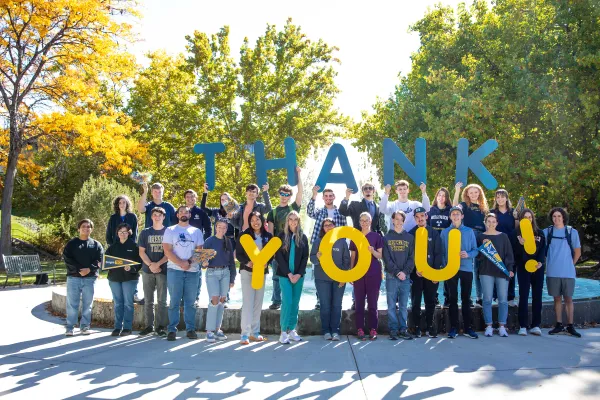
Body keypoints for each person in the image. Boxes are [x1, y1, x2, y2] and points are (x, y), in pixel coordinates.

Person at [162, 205, 205, 341]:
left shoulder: (196, 231)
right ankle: (172, 330)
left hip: (192, 271)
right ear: (177, 215)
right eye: (181, 212)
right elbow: (167, 250)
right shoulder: (170, 230)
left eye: (186, 212)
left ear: (190, 215)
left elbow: (199, 251)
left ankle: (190, 329)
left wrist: (189, 263)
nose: (183, 213)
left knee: (190, 302)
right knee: (174, 301)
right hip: (175, 270)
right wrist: (181, 263)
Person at [267, 168, 303, 311]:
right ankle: (276, 301)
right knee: (276, 276)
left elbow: (300, 193)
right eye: (282, 194)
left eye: (286, 194)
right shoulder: (273, 212)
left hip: (292, 247)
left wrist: (299, 174)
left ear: (289, 196)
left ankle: (291, 300)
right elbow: (270, 233)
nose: (284, 196)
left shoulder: (293, 208)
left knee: (292, 275)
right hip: (278, 249)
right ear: (279, 194)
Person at [236, 211, 274, 344]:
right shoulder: (244, 235)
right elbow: (239, 254)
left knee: (258, 303)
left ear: (262, 221)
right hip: (247, 272)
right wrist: (247, 262)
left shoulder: (268, 236)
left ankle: (255, 332)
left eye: (257, 219)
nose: (255, 222)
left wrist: (266, 263)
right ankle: (245, 334)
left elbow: (272, 254)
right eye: (252, 220)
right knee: (248, 303)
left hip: (261, 273)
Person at [543, 207, 582, 337]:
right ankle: (558, 324)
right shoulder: (547, 232)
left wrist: (571, 264)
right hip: (552, 272)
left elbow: (577, 251)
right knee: (557, 299)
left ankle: (570, 326)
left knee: (569, 299)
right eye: (554, 216)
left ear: (563, 217)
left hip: (568, 272)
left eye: (559, 216)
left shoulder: (572, 232)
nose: (557, 218)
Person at [442, 206, 479, 339]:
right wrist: (444, 267)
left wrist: (468, 254)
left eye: (458, 214)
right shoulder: (445, 232)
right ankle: (453, 328)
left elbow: (476, 250)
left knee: (466, 298)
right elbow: (442, 252)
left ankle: (468, 328)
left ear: (462, 216)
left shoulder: (469, 232)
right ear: (450, 217)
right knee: (452, 299)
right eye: (453, 214)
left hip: (466, 269)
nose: (456, 216)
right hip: (450, 270)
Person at [311, 218, 350, 341]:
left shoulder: (341, 242)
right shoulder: (318, 241)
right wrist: (317, 257)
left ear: (335, 226)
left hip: (338, 279)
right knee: (325, 305)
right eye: (325, 225)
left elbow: (347, 261)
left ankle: (335, 331)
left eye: (330, 225)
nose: (328, 227)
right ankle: (326, 331)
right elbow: (312, 259)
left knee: (337, 305)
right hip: (322, 279)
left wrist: (343, 277)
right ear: (323, 228)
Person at [62, 219, 103, 336]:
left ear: (91, 229)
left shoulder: (96, 244)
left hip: (90, 279)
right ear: (79, 229)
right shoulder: (72, 244)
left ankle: (85, 326)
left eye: (88, 227)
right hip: (73, 278)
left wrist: (89, 269)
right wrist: (80, 270)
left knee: (87, 303)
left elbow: (99, 260)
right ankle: (70, 327)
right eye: (83, 226)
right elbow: (68, 259)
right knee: (72, 304)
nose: (86, 228)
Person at [477, 213, 515, 338]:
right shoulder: (480, 236)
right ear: (485, 222)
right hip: (486, 271)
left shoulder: (504, 236)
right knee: (487, 299)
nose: (491, 224)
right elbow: (478, 257)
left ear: (497, 223)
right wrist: (484, 246)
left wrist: (509, 268)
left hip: (501, 271)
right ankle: (489, 326)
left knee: (503, 299)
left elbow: (509, 254)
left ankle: (502, 326)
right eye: (489, 221)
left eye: (494, 221)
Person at [275, 211, 309, 344]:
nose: (293, 222)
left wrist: (298, 274)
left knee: (295, 303)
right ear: (287, 221)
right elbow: (278, 257)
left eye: (296, 219)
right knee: (287, 302)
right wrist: (289, 274)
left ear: (299, 221)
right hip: (285, 275)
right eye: (291, 219)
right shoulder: (281, 236)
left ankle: (292, 329)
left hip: (298, 276)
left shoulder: (303, 237)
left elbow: (305, 257)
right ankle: (283, 332)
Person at [408, 207, 442, 338]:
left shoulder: (434, 233)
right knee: (415, 301)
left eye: (422, 215)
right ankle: (416, 327)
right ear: (415, 219)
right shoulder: (411, 234)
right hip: (416, 274)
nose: (420, 218)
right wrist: (414, 270)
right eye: (417, 217)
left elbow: (438, 254)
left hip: (431, 274)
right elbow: (410, 255)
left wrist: (436, 273)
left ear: (426, 216)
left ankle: (430, 326)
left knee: (430, 300)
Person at [454, 182, 489, 308]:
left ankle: (479, 298)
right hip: (468, 235)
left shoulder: (483, 207)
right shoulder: (463, 205)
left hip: (481, 236)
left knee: (479, 268)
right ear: (467, 194)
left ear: (479, 193)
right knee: (466, 266)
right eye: (471, 192)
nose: (474, 194)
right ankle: (465, 298)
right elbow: (454, 208)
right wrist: (457, 190)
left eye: (476, 192)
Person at [512, 208, 546, 336]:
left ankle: (536, 325)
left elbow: (543, 249)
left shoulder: (540, 233)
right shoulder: (516, 234)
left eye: (530, 217)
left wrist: (540, 262)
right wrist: (520, 244)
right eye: (525, 217)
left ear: (533, 218)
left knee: (537, 296)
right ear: (521, 219)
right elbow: (515, 254)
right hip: (523, 267)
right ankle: (523, 325)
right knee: (524, 295)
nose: (528, 219)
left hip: (537, 267)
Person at [351, 212, 385, 340]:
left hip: (373, 274)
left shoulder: (376, 236)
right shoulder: (355, 236)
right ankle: (359, 329)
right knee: (359, 303)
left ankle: (373, 329)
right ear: (359, 222)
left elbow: (380, 256)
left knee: (372, 303)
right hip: (359, 275)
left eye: (367, 220)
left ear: (371, 222)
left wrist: (372, 251)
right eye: (362, 220)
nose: (364, 223)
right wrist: (351, 273)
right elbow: (353, 256)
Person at [106, 223, 143, 337]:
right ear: (117, 233)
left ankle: (127, 328)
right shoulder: (112, 247)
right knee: (118, 304)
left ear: (129, 233)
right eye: (120, 232)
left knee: (128, 303)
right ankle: (117, 327)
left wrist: (132, 267)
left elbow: (140, 262)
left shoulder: (135, 246)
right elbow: (106, 262)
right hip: (114, 278)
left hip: (129, 279)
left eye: (125, 232)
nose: (122, 234)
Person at [383, 211, 415, 340]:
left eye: (401, 219)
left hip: (405, 277)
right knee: (391, 306)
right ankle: (393, 330)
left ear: (403, 221)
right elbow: (386, 258)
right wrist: (397, 272)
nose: (398, 222)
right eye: (396, 219)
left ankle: (403, 329)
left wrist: (405, 272)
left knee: (403, 306)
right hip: (392, 277)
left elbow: (411, 258)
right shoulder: (386, 238)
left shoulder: (409, 238)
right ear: (392, 220)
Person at [203, 220, 236, 343]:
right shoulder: (209, 241)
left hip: (225, 273)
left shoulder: (228, 242)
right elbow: (203, 260)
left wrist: (232, 278)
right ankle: (209, 331)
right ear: (215, 227)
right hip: (212, 273)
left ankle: (218, 329)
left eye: (224, 227)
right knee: (214, 299)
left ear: (227, 229)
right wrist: (204, 263)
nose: (221, 229)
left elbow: (231, 262)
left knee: (222, 299)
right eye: (219, 227)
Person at [138, 207, 169, 337]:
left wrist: (158, 264)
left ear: (163, 217)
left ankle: (161, 326)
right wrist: (151, 264)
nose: (157, 217)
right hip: (147, 270)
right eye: (155, 215)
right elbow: (141, 252)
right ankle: (148, 326)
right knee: (148, 300)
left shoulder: (168, 232)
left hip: (163, 269)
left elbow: (170, 253)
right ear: (151, 217)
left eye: (159, 215)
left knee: (162, 300)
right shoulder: (145, 233)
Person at [428, 185, 459, 308]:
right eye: (439, 195)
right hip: (433, 244)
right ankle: (434, 297)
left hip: (446, 244)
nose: (441, 197)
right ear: (436, 197)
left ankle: (447, 297)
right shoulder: (431, 210)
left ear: (447, 198)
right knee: (434, 269)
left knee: (447, 269)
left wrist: (457, 190)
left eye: (444, 195)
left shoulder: (450, 210)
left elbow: (456, 207)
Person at [491, 188, 519, 307]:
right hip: (496, 244)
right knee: (497, 270)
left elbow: (517, 228)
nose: (500, 199)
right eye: (498, 197)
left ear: (506, 198)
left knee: (511, 269)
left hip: (511, 244)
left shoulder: (513, 213)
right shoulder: (492, 213)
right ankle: (496, 296)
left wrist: (517, 218)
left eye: (502, 196)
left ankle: (510, 297)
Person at [184, 189, 211, 308]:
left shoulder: (201, 212)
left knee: (196, 272)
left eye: (192, 197)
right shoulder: (180, 212)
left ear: (195, 198)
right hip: (182, 247)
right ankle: (183, 298)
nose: (190, 199)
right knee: (182, 270)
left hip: (198, 247)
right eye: (188, 197)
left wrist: (203, 243)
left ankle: (195, 297)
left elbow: (208, 229)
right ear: (185, 199)